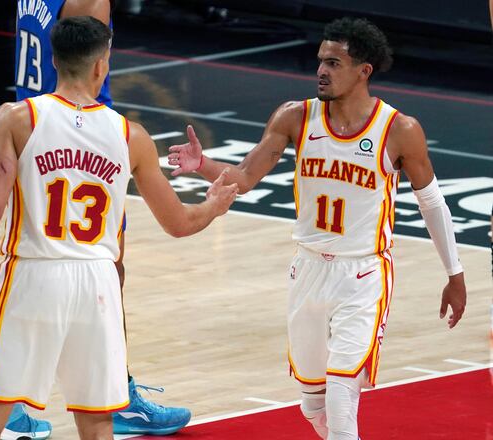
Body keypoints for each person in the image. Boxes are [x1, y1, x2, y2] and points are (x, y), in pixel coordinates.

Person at [0, 16, 237, 440]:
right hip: (99, 285)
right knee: (96, 425)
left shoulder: (17, 119)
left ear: (54, 60)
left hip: (33, 275)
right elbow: (179, 224)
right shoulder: (132, 137)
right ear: (101, 66)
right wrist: (214, 206)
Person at [169, 17, 467, 440]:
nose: (321, 71)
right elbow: (245, 177)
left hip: (363, 274)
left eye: (333, 63)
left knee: (342, 395)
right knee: (313, 403)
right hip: (307, 270)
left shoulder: (399, 130)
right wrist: (202, 166)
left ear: (364, 71)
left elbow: (432, 202)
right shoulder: (295, 116)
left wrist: (454, 274)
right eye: (320, 62)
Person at [14, 1, 192, 438]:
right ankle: (116, 398)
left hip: (33, 122)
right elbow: (87, 61)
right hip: (84, 132)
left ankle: (13, 402)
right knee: (105, 274)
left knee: (29, 264)